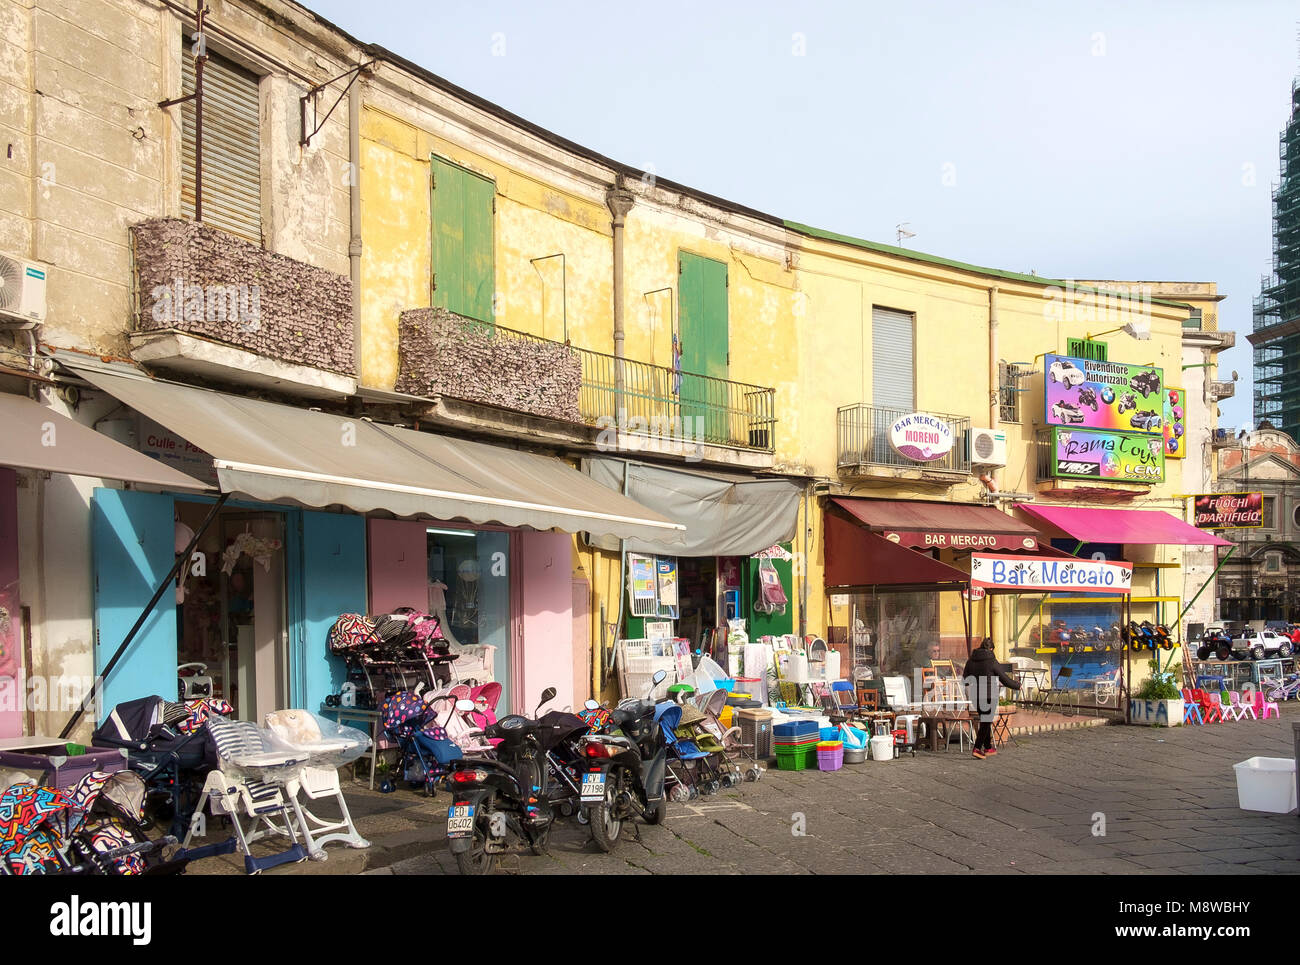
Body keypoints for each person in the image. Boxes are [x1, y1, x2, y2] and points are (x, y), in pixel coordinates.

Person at [963, 637, 1020, 759]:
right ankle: (977, 748)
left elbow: (965, 680)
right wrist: (1017, 685)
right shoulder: (992, 661)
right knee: (985, 721)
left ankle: (988, 747)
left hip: (975, 695)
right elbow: (1004, 679)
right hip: (989, 695)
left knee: (985, 720)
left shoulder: (971, 660)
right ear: (991, 649)